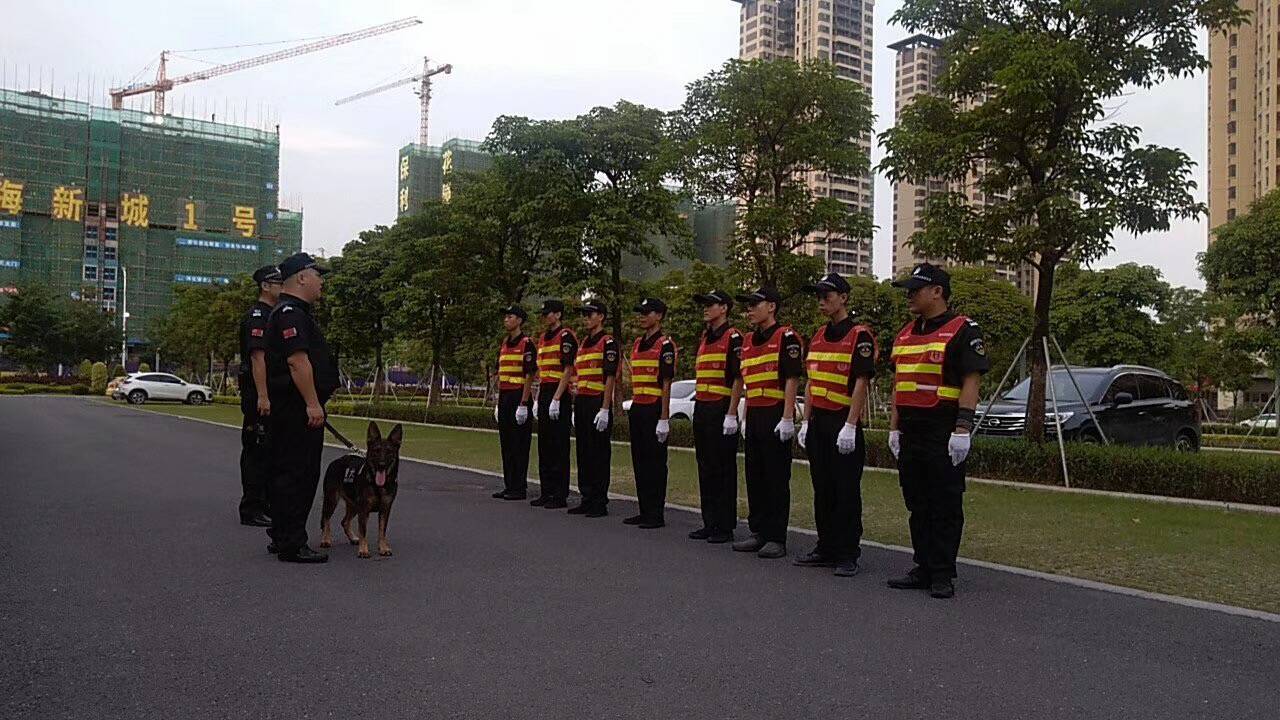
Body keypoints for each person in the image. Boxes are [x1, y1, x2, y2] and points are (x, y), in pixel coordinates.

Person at [887, 263, 988, 598]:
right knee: (917, 501)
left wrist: (963, 428)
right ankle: (923, 566)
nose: (910, 296)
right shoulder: (905, 333)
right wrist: (894, 428)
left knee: (944, 502)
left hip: (943, 429)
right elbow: (898, 383)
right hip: (911, 431)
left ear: (937, 292)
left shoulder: (963, 330)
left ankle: (942, 572)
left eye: (915, 290)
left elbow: (971, 380)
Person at [794, 273, 876, 577]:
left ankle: (847, 552)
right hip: (819, 421)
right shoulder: (818, 335)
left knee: (846, 490)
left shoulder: (858, 335)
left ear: (843, 298)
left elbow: (861, 382)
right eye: (818, 296)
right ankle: (825, 546)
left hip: (843, 421)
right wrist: (806, 421)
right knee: (823, 488)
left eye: (827, 296)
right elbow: (811, 381)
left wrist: (851, 424)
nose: (821, 302)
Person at [264, 252, 338, 564]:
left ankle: (283, 535)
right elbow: (297, 361)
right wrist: (312, 403)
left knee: (288, 472)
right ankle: (292, 543)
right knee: (299, 474)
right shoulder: (291, 314)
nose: (321, 282)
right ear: (302, 277)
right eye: (318, 275)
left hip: (292, 408)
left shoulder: (293, 312)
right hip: (297, 409)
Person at [731, 288, 802, 559]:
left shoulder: (786, 337)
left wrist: (787, 417)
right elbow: (748, 382)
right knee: (755, 475)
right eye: (747, 305)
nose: (749, 310)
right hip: (755, 414)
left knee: (775, 477)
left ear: (771, 307)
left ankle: (776, 536)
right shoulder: (749, 340)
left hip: (775, 413)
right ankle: (758, 530)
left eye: (754, 304)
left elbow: (792, 379)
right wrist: (744, 417)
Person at [689, 290, 743, 544]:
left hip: (721, 408)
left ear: (724, 308)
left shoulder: (733, 337)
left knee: (723, 468)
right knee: (705, 466)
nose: (706, 308)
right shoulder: (705, 338)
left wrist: (731, 413)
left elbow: (738, 378)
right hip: (702, 407)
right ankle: (709, 522)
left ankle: (724, 525)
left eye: (710, 304)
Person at [625, 297, 677, 529]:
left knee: (655, 462)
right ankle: (644, 509)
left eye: (647, 313)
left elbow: (666, 382)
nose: (642, 317)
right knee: (639, 460)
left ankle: (655, 513)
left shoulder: (665, 345)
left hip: (654, 407)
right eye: (641, 313)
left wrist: (664, 417)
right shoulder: (638, 343)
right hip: (638, 406)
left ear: (659, 316)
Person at [237, 264, 282, 528]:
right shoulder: (258, 315)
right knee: (256, 450)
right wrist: (263, 396)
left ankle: (265, 503)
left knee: (269, 451)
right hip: (257, 393)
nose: (282, 288)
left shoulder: (274, 314)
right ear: (265, 286)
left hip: (268, 392)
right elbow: (257, 357)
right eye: (278, 283)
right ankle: (251, 507)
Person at [570, 299, 620, 517]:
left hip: (598, 401)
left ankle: (599, 500)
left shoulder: (608, 342)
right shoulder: (583, 344)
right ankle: (586, 496)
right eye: (584, 314)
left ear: (601, 316)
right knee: (583, 451)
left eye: (589, 314)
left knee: (598, 452)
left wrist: (605, 408)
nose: (586, 319)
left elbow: (610, 377)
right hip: (582, 400)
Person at [532, 299, 577, 509]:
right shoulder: (543, 338)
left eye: (548, 313)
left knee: (559, 445)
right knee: (545, 445)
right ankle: (546, 491)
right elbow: (542, 371)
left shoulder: (566, 336)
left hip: (559, 392)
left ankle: (559, 494)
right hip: (545, 390)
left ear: (558, 314)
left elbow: (568, 369)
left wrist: (557, 399)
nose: (545, 317)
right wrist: (537, 399)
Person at [493, 304, 536, 501]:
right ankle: (509, 484)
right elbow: (499, 373)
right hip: (505, 396)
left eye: (510, 317)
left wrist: (524, 403)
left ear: (519, 320)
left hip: (519, 396)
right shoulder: (504, 343)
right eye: (505, 317)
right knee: (506, 443)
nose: (506, 320)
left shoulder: (526, 344)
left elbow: (529, 375)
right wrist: (497, 401)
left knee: (519, 444)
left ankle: (519, 487)